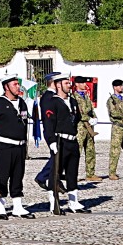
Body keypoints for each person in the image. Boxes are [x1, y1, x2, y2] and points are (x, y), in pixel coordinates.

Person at [0, 75, 33, 217]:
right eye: (15, 84)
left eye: (18, 84)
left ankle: (17, 206)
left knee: (18, 176)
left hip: (19, 146)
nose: (18, 87)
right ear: (6, 87)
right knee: (2, 176)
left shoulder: (21, 103)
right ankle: (1, 205)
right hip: (4, 146)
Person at [38, 74, 87, 212]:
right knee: (55, 172)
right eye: (66, 83)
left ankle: (74, 201)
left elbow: (76, 118)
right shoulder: (52, 101)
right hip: (60, 141)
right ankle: (54, 203)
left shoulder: (72, 101)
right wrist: (51, 141)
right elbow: (48, 124)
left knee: (72, 172)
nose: (69, 85)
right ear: (58, 85)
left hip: (72, 140)